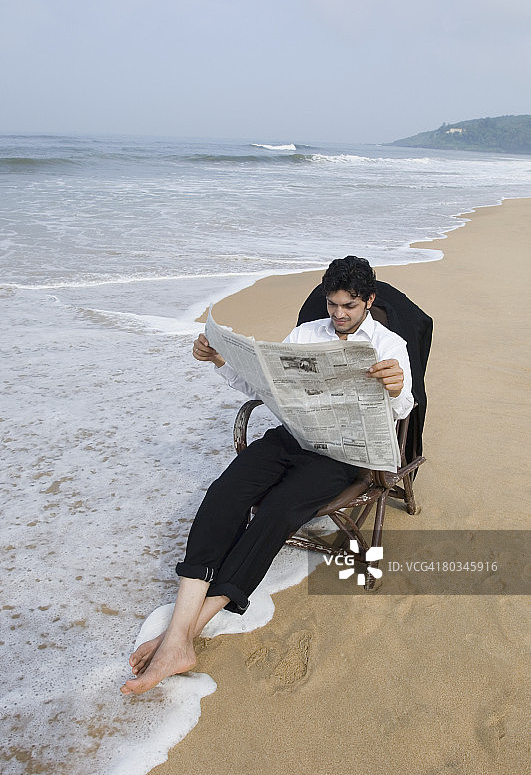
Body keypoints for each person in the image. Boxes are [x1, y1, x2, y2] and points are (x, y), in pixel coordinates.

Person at [121, 256, 413, 695]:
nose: (338, 314)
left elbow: (404, 408)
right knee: (224, 493)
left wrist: (396, 387)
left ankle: (182, 636)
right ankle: (179, 634)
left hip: (341, 453)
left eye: (349, 306)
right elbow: (265, 388)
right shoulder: (306, 334)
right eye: (332, 304)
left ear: (369, 300)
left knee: (277, 511)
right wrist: (220, 360)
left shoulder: (389, 344)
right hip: (290, 437)